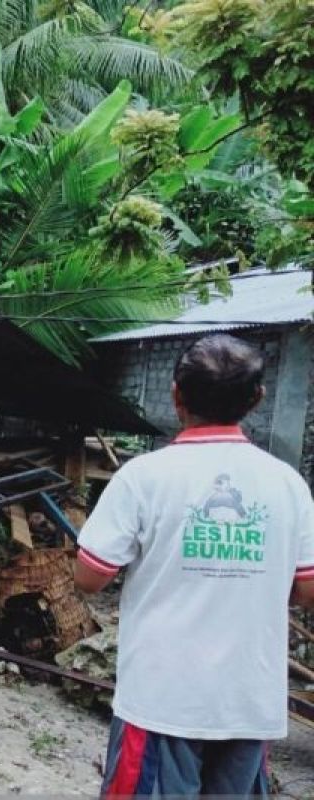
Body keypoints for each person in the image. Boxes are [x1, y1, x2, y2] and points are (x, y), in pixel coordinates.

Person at [75, 333, 314, 797]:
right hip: (247, 702)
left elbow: (88, 576)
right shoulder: (288, 485)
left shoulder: (143, 477)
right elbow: (307, 591)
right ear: (257, 399)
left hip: (163, 698)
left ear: (176, 394)